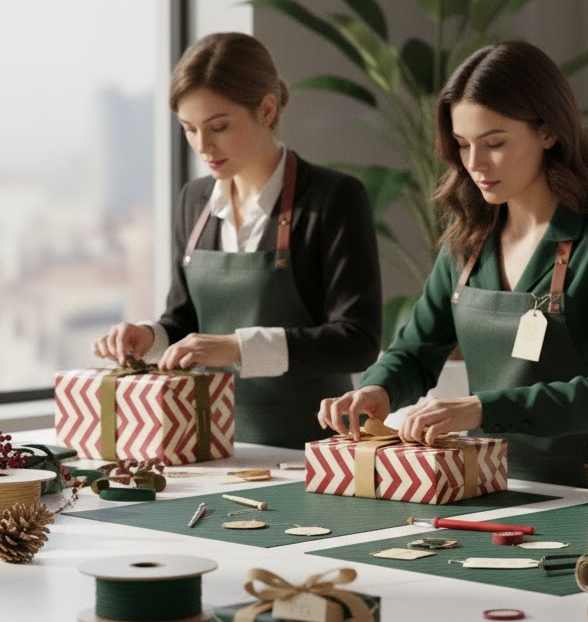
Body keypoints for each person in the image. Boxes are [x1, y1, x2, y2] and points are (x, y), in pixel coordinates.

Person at [318, 40, 588, 488]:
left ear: (548, 132)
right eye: (462, 145)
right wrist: (377, 389)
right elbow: (416, 351)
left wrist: (481, 409)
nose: (475, 164)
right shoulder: (466, 240)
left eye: (494, 143)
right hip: (477, 483)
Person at [93, 32, 382, 448]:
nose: (202, 146)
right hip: (208, 446)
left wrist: (236, 347)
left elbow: (357, 341)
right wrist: (150, 337)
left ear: (266, 109)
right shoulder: (194, 201)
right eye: (189, 129)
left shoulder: (332, 199)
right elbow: (185, 322)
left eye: (219, 127)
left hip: (313, 450)